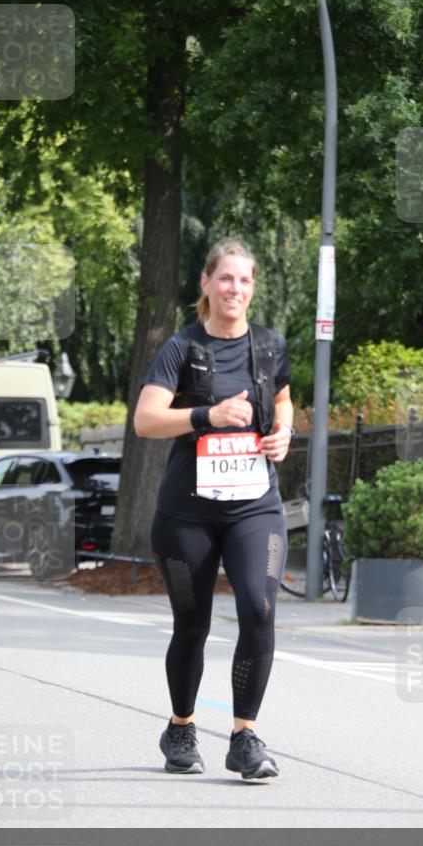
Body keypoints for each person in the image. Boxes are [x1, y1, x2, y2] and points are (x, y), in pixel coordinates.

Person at [134, 239, 294, 780]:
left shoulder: (270, 347)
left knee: (259, 608)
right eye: (226, 279)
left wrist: (285, 433)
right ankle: (181, 727)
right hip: (187, 513)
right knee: (193, 622)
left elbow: (284, 400)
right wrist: (208, 415)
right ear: (206, 284)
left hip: (256, 508)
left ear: (253, 288)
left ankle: (244, 737)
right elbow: (147, 421)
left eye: (245, 280)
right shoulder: (181, 347)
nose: (235, 289)